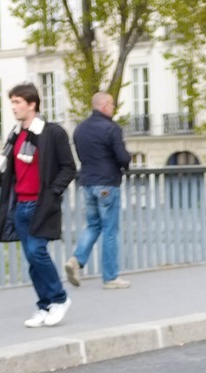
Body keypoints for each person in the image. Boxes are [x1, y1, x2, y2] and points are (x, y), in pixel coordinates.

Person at [0, 82, 77, 328]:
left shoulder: (52, 133)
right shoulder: (16, 134)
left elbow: (69, 167)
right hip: (20, 206)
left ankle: (60, 299)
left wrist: (52, 193)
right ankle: (44, 305)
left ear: (32, 104)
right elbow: (10, 168)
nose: (13, 108)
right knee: (32, 258)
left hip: (41, 205)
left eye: (17, 102)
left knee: (38, 252)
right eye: (12, 102)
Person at [65, 93, 132, 290]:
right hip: (107, 184)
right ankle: (110, 277)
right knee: (110, 230)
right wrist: (127, 162)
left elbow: (81, 155)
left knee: (93, 225)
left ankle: (76, 260)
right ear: (103, 106)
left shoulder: (79, 129)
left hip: (87, 183)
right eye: (112, 104)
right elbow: (122, 157)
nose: (113, 107)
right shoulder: (111, 128)